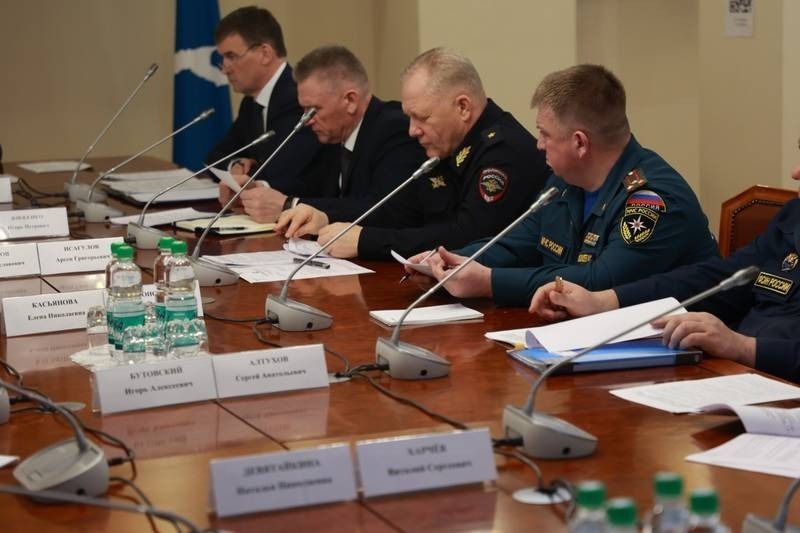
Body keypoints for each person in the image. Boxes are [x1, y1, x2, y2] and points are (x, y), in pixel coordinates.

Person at [409, 64, 718, 306]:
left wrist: (489, 282)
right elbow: (515, 243)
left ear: (580, 143)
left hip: (682, 351)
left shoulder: (652, 200)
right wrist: (449, 261)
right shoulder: (565, 182)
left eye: (544, 134)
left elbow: (599, 282)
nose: (538, 144)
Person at [529, 158, 800, 384]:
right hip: (741, 376)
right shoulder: (794, 215)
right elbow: (722, 279)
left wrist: (743, 347)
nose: (796, 172)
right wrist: (603, 301)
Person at [279, 47, 550, 260]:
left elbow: (468, 237)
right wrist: (326, 217)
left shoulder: (502, 152)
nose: (412, 130)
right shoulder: (447, 145)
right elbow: (402, 209)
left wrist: (366, 241)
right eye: (409, 117)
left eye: (422, 117)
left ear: (463, 107)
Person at [244, 45, 425, 224]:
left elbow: (382, 208)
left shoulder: (394, 129)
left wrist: (290, 205)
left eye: (314, 110)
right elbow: (312, 185)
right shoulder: (334, 134)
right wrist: (260, 188)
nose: (306, 120)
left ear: (350, 100)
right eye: (304, 110)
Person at [208, 6, 336, 202]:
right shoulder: (251, 103)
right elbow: (215, 156)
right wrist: (236, 164)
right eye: (223, 58)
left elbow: (279, 172)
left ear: (265, 53)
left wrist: (251, 168)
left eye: (231, 56)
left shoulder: (299, 97)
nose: (225, 68)